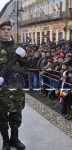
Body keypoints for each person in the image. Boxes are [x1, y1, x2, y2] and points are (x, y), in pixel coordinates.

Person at [0, 20, 26, 150]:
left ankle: (14, 139)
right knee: (2, 118)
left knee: (16, 117)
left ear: (11, 31)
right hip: (1, 92)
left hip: (16, 90)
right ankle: (5, 142)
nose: (6, 31)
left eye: (8, 29)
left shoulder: (19, 47)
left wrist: (25, 56)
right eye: (3, 29)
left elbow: (27, 66)